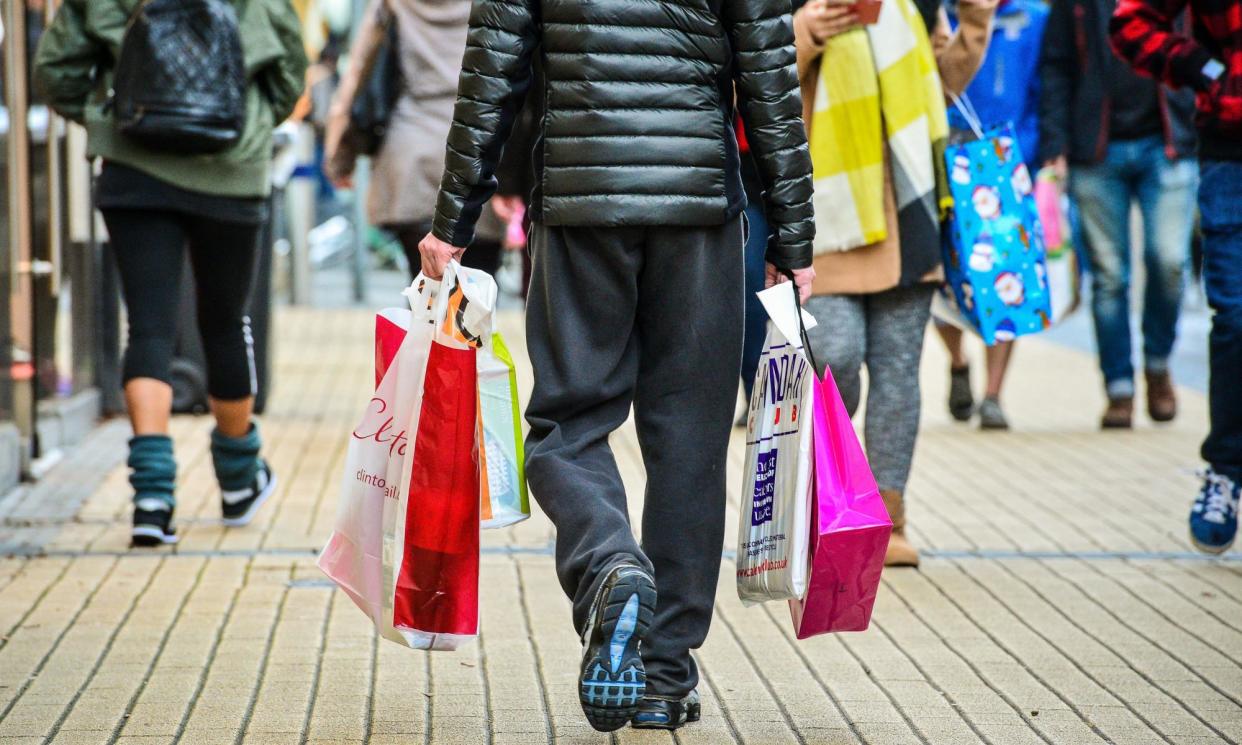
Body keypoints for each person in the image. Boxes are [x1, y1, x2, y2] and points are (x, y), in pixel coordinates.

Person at [419, 0, 815, 732]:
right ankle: (664, 677)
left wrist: (454, 222)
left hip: (581, 195)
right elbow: (768, 67)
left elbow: (492, 66)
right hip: (698, 203)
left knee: (567, 422)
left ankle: (609, 565)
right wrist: (794, 236)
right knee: (689, 441)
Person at [34, 0, 307, 546]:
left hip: (135, 165)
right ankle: (237, 482)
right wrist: (245, 126)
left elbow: (56, 69)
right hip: (233, 169)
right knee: (227, 323)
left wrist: (107, 118)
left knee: (150, 328)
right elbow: (288, 73)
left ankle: (153, 501)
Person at [794, 0, 995, 567]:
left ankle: (888, 518)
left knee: (899, 370)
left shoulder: (914, 8)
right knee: (835, 355)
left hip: (910, 214)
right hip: (826, 214)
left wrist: (976, 19)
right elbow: (750, 85)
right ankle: (833, 491)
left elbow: (945, 83)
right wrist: (803, 31)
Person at [1110, 0, 1242, 553]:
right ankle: (1226, 470)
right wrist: (1203, 68)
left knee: (1162, 264)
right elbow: (1128, 21)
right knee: (1235, 314)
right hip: (1230, 151)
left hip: (1180, 151)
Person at [1040, 0, 1198, 430]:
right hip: (1095, 148)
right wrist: (1055, 143)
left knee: (1169, 261)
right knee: (1110, 277)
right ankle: (1119, 388)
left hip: (1169, 144)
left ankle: (1158, 363)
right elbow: (1055, 66)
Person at [323, 0, 522, 279]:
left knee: (424, 290)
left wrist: (340, 158)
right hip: (481, 154)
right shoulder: (500, 5)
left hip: (410, 153)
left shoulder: (393, 4)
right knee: (476, 294)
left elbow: (357, 75)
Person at [936, 0, 1049, 430]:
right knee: (940, 276)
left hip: (1007, 161)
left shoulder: (1033, 17)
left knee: (1007, 277)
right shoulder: (937, 13)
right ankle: (958, 361)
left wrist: (1036, 156)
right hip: (945, 155)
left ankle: (993, 394)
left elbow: (1045, 88)